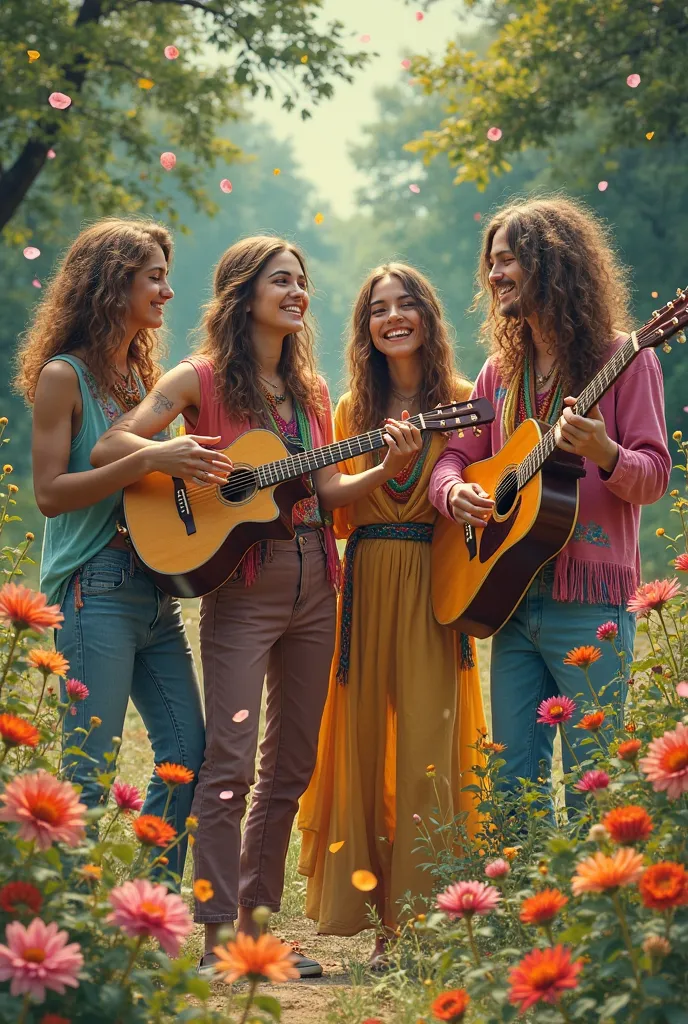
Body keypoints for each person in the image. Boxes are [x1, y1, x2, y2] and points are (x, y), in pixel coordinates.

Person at [92, 235, 421, 977]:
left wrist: (385, 468)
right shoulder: (196, 378)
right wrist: (164, 455)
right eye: (282, 281)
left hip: (317, 582)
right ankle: (214, 939)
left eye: (302, 281)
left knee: (291, 767)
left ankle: (258, 929)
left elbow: (324, 492)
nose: (298, 292)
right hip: (240, 587)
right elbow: (112, 446)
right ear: (244, 294)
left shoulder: (308, 395)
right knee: (231, 762)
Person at [429, 196, 671, 809]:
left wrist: (607, 452)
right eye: (491, 263)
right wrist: (454, 491)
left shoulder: (623, 359)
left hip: (590, 604)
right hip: (510, 597)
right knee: (513, 788)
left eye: (507, 260)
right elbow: (456, 458)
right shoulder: (497, 373)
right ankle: (514, 903)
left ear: (550, 263)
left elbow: (654, 475)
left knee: (597, 782)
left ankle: (595, 897)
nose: (493, 275)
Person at [15, 217, 217, 881]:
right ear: (111, 285)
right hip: (91, 590)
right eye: (152, 276)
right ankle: (67, 928)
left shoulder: (139, 378)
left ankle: (146, 911)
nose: (165, 290)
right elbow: (49, 493)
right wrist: (151, 457)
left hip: (153, 591)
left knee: (187, 752)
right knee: (87, 774)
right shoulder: (62, 377)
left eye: (164, 275)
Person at [297, 262, 487, 959]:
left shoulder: (470, 400)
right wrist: (374, 467)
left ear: (430, 317)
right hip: (369, 579)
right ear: (366, 327)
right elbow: (332, 509)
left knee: (428, 753)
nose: (393, 316)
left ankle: (431, 914)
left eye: (407, 303)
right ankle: (380, 923)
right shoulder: (348, 412)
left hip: (439, 586)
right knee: (367, 747)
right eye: (379, 308)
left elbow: (485, 490)